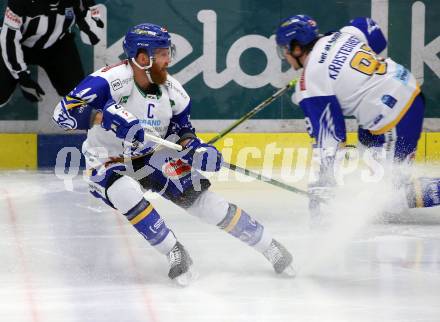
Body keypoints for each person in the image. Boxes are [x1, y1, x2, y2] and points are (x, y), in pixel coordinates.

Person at [52, 23, 295, 286]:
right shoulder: (107, 81)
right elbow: (62, 113)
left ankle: (268, 244)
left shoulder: (175, 93)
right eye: (163, 53)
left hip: (152, 156)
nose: (169, 59)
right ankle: (173, 250)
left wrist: (197, 149)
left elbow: (183, 133)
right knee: (124, 192)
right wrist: (101, 116)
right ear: (142, 57)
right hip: (107, 158)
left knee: (206, 204)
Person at [275, 15, 440, 221]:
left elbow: (330, 140)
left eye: (285, 50)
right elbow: (374, 33)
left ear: (297, 48)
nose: (285, 56)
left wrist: (322, 189)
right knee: (372, 166)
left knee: (389, 201)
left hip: (396, 117)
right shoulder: (341, 35)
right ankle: (386, 184)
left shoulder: (311, 81)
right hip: (401, 92)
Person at [0, 0, 103, 107]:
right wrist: (22, 76)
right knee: (1, 94)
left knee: (78, 94)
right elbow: (9, 39)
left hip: (57, 44)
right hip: (21, 44)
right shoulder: (19, 3)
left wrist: (90, 27)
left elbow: (88, 9)